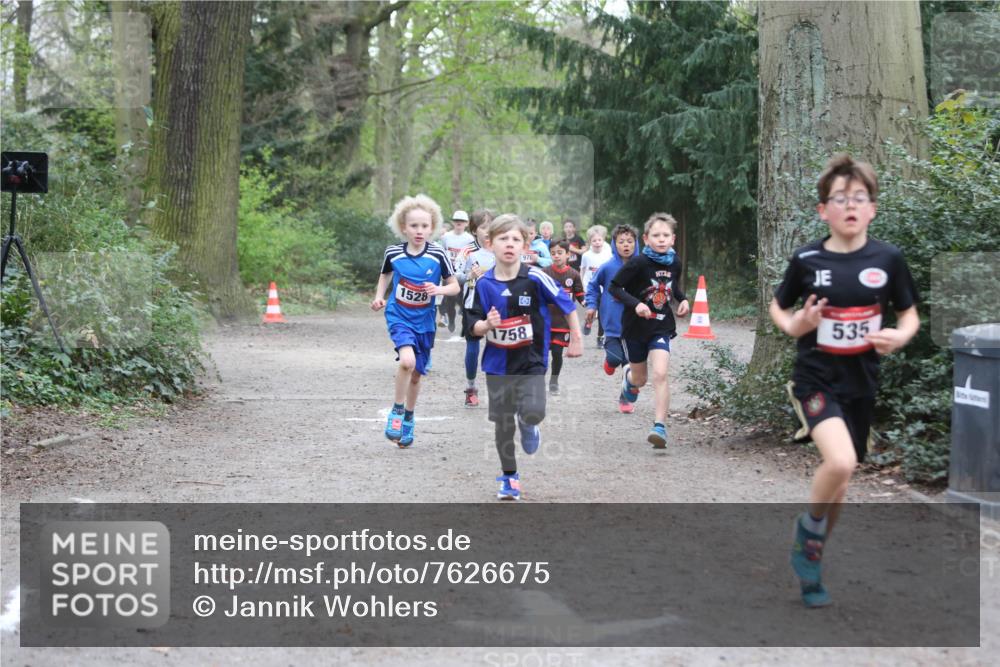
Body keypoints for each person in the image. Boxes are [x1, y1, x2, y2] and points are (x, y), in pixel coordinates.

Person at [769, 154, 919, 608]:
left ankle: (811, 564)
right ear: (823, 210)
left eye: (859, 197)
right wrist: (796, 325)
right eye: (840, 198)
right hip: (815, 378)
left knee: (843, 482)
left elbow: (909, 313)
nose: (850, 205)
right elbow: (779, 305)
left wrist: (901, 335)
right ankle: (806, 534)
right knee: (841, 463)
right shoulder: (808, 259)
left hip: (861, 382)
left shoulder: (888, 259)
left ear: (872, 207)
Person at [465, 214, 583, 500]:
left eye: (516, 239)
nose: (509, 244)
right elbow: (472, 326)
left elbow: (567, 305)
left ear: (525, 244)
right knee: (502, 422)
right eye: (503, 239)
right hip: (497, 363)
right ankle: (509, 478)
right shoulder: (483, 284)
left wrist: (576, 338)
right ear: (490, 244)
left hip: (531, 359)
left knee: (533, 411)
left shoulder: (535, 276)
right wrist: (486, 325)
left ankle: (528, 424)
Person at [371, 195, 459, 448]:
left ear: (432, 227)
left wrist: (439, 290)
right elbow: (385, 274)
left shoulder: (438, 254)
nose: (419, 231)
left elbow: (453, 286)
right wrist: (379, 297)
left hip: (425, 321)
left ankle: (409, 417)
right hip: (399, 316)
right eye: (414, 226)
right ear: (403, 227)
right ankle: (397, 412)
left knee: (418, 374)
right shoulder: (393, 252)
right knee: (407, 362)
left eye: (425, 226)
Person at [609, 213, 690, 448]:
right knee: (640, 379)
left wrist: (683, 300)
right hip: (635, 328)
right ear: (646, 238)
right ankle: (628, 380)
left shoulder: (675, 262)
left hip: (661, 326)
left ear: (673, 239)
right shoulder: (638, 263)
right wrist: (637, 304)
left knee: (661, 374)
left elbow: (673, 287)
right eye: (656, 235)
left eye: (666, 235)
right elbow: (615, 288)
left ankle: (659, 427)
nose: (661, 239)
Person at [585, 224, 638, 412]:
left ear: (636, 243)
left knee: (631, 366)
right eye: (621, 241)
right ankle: (610, 361)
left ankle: (625, 398)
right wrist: (591, 305)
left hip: (635, 326)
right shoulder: (608, 267)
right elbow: (592, 286)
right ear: (614, 244)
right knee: (616, 359)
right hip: (612, 325)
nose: (626, 245)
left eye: (630, 241)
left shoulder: (641, 266)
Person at [456, 209, 496, 407]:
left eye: (491, 226)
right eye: (483, 227)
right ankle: (471, 387)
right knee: (473, 347)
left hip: (497, 303)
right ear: (474, 230)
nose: (487, 231)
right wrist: (470, 276)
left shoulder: (501, 248)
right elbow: (455, 276)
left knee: (499, 345)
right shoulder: (467, 251)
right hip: (473, 302)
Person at [542, 241, 585, 395]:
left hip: (563, 322)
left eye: (560, 252)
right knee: (542, 353)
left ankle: (554, 380)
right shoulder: (544, 272)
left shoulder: (573, 274)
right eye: (553, 253)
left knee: (556, 352)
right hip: (546, 320)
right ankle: (539, 380)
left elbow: (580, 294)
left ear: (568, 254)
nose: (556, 256)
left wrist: (589, 305)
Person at [438, 210, 474, 332]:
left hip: (463, 273)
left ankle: (465, 324)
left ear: (466, 223)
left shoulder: (469, 239)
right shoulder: (446, 237)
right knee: (449, 300)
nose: (459, 223)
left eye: (462, 221)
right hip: (449, 273)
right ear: (453, 222)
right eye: (456, 220)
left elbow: (472, 256)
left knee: (463, 299)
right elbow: (442, 252)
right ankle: (452, 321)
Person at [579, 224, 613, 346]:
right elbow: (582, 270)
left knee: (603, 313)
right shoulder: (586, 255)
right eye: (594, 240)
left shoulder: (608, 255)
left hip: (604, 288)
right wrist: (582, 285)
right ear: (590, 241)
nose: (597, 242)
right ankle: (588, 321)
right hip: (590, 287)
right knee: (592, 311)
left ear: (603, 240)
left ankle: (600, 337)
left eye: (600, 240)